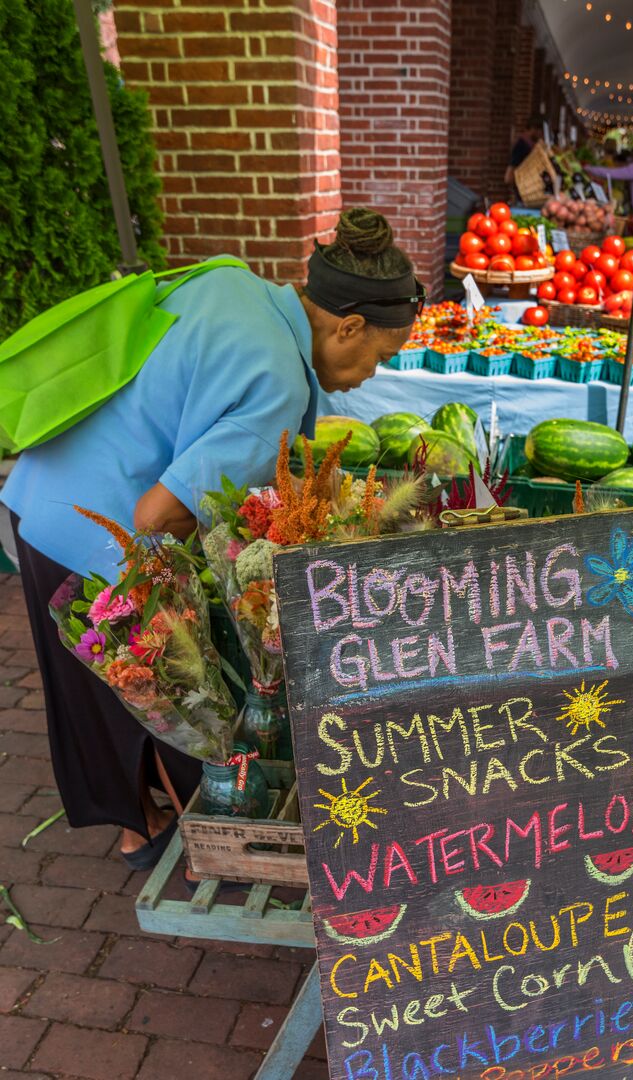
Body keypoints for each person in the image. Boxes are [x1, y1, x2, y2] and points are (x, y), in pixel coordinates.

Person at [1, 208, 421, 870]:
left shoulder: (233, 283)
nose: (373, 375)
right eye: (380, 357)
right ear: (349, 326)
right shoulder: (278, 383)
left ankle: (141, 819)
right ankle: (160, 835)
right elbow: (155, 517)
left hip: (42, 490)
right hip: (87, 525)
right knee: (160, 686)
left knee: (102, 693)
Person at [505, 115, 545, 190]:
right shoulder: (521, 146)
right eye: (541, 131)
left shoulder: (531, 146)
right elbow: (509, 176)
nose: (541, 135)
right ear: (533, 129)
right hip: (524, 194)